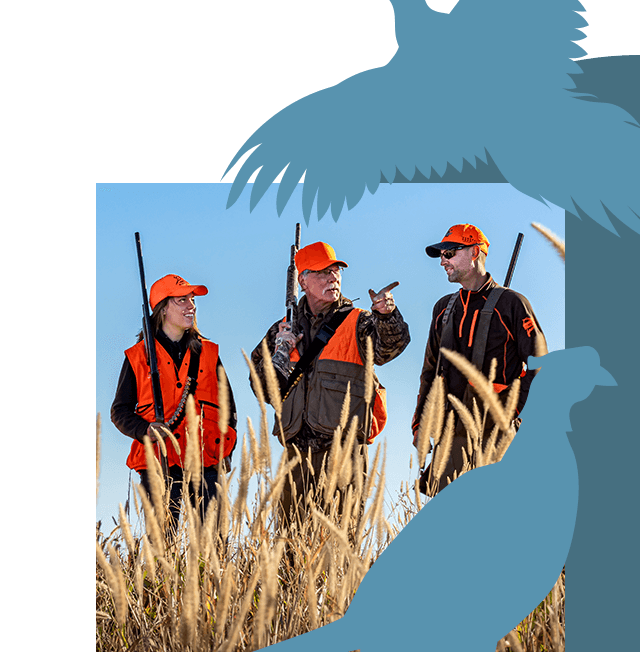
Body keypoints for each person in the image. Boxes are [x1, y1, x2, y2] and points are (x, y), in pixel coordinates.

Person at [250, 241, 410, 530]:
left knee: (338, 547)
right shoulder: (281, 329)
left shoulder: (359, 321)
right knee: (290, 547)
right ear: (303, 279)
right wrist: (280, 354)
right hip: (296, 455)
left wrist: (386, 314)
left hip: (343, 454)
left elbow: (391, 347)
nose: (333, 277)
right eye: (323, 272)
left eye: (336, 271)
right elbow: (263, 389)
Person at [412, 224, 547, 495]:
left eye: (450, 253)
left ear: (474, 252)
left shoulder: (512, 304)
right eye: (441, 255)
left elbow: (540, 365)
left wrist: (510, 410)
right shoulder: (442, 309)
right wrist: (420, 424)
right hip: (449, 439)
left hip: (496, 438)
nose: (443, 261)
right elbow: (430, 371)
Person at [111, 274, 237, 527]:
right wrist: (145, 430)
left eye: (192, 300)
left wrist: (226, 449)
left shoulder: (209, 353)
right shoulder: (139, 357)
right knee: (162, 546)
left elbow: (228, 408)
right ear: (163, 309)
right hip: (159, 461)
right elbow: (120, 411)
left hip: (206, 461)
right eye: (182, 300)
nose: (191, 306)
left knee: (214, 545)